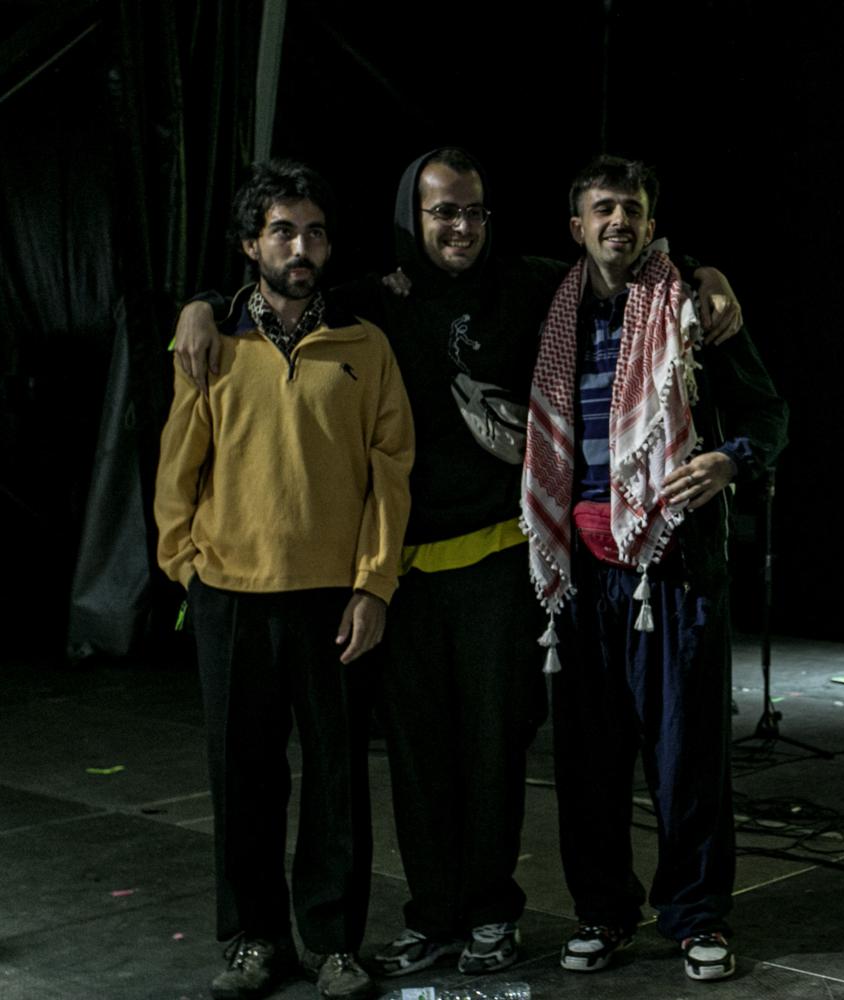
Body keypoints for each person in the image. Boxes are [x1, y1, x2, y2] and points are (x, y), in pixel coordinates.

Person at [171, 148, 745, 980]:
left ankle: (491, 914)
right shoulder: (370, 301)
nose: (461, 227)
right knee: (416, 759)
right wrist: (199, 304)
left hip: (499, 561)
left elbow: (618, 257)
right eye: (443, 211)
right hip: (402, 573)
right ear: (413, 216)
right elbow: (279, 288)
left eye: (474, 211)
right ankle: (432, 916)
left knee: (494, 752)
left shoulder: (528, 285)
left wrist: (705, 274)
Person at [521, 155, 787, 983]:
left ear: (651, 223)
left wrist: (729, 461)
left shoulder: (691, 307)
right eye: (603, 209)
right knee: (587, 758)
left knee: (686, 755)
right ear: (577, 226)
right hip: (581, 573)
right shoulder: (550, 307)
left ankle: (696, 916)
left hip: (672, 567)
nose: (619, 223)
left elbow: (768, 413)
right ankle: (602, 912)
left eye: (632, 209)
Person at [154, 160, 414, 1000]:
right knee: (243, 777)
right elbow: (177, 464)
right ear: (250, 245)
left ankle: (334, 944)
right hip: (231, 595)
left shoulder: (364, 345)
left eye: (314, 233)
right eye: (282, 232)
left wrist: (373, 586)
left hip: (333, 599)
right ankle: (255, 941)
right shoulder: (213, 342)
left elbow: (391, 473)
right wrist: (186, 565)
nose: (300, 248)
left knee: (338, 780)